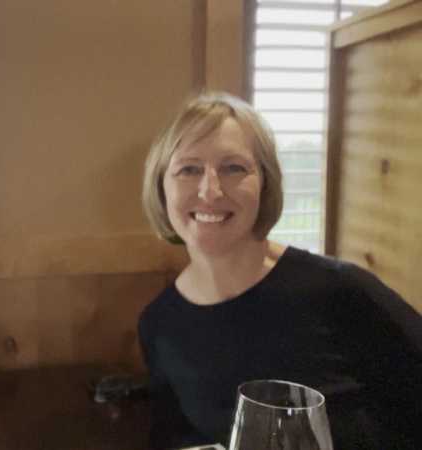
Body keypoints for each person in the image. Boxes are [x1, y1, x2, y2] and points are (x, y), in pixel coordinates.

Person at [138, 92, 422, 449]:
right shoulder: (160, 324)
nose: (210, 190)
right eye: (189, 169)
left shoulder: (339, 289)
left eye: (234, 168)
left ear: (265, 183)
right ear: (161, 187)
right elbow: (176, 439)